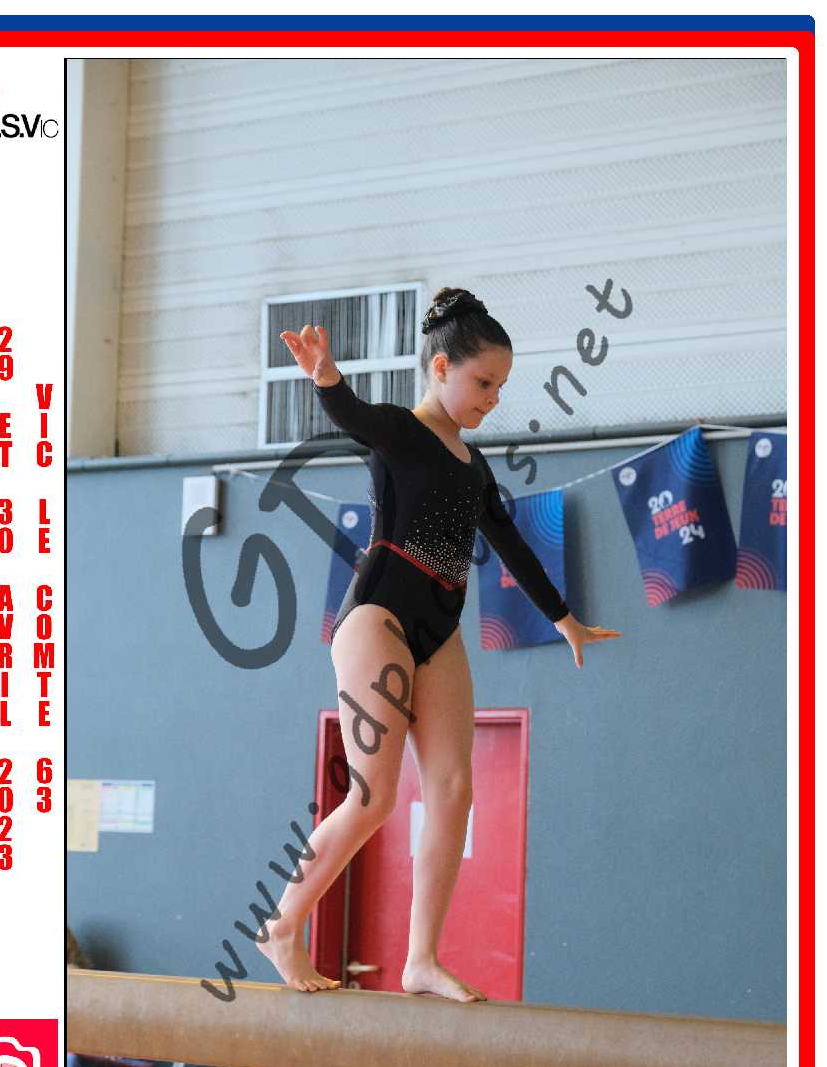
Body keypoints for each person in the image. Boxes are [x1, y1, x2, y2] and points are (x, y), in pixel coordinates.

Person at [258, 287, 620, 1002]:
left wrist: (563, 618)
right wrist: (326, 377)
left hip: (440, 625)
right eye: (483, 382)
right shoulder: (402, 431)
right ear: (441, 368)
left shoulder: (473, 465)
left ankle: (421, 959)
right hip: (380, 615)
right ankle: (281, 925)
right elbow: (353, 416)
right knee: (374, 796)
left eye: (501, 387)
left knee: (454, 791)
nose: (492, 398)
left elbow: (510, 542)